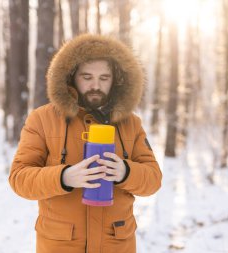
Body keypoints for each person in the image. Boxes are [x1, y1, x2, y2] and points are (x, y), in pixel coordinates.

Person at [9, 34, 162, 253]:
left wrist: (126, 172)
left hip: (117, 244)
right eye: (87, 77)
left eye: (104, 78)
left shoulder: (131, 124)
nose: (95, 86)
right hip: (60, 245)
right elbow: (19, 178)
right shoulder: (42, 119)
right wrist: (63, 177)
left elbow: (153, 179)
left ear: (116, 79)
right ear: (72, 77)